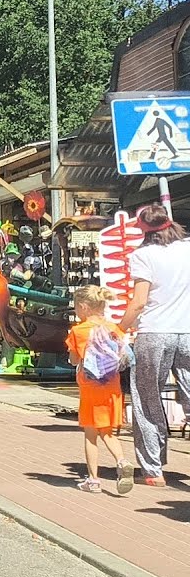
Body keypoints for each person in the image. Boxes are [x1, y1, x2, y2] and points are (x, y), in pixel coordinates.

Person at [117, 204, 190, 487]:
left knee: (147, 399)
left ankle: (153, 470)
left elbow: (139, 302)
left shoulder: (142, 256)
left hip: (154, 333)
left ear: (143, 230)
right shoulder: (187, 248)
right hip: (187, 331)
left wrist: (118, 329)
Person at [66, 286, 135, 494]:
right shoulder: (113, 328)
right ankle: (122, 461)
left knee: (90, 435)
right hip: (112, 388)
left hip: (90, 389)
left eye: (77, 307)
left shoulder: (78, 331)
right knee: (108, 432)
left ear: (84, 307)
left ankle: (93, 480)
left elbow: (74, 359)